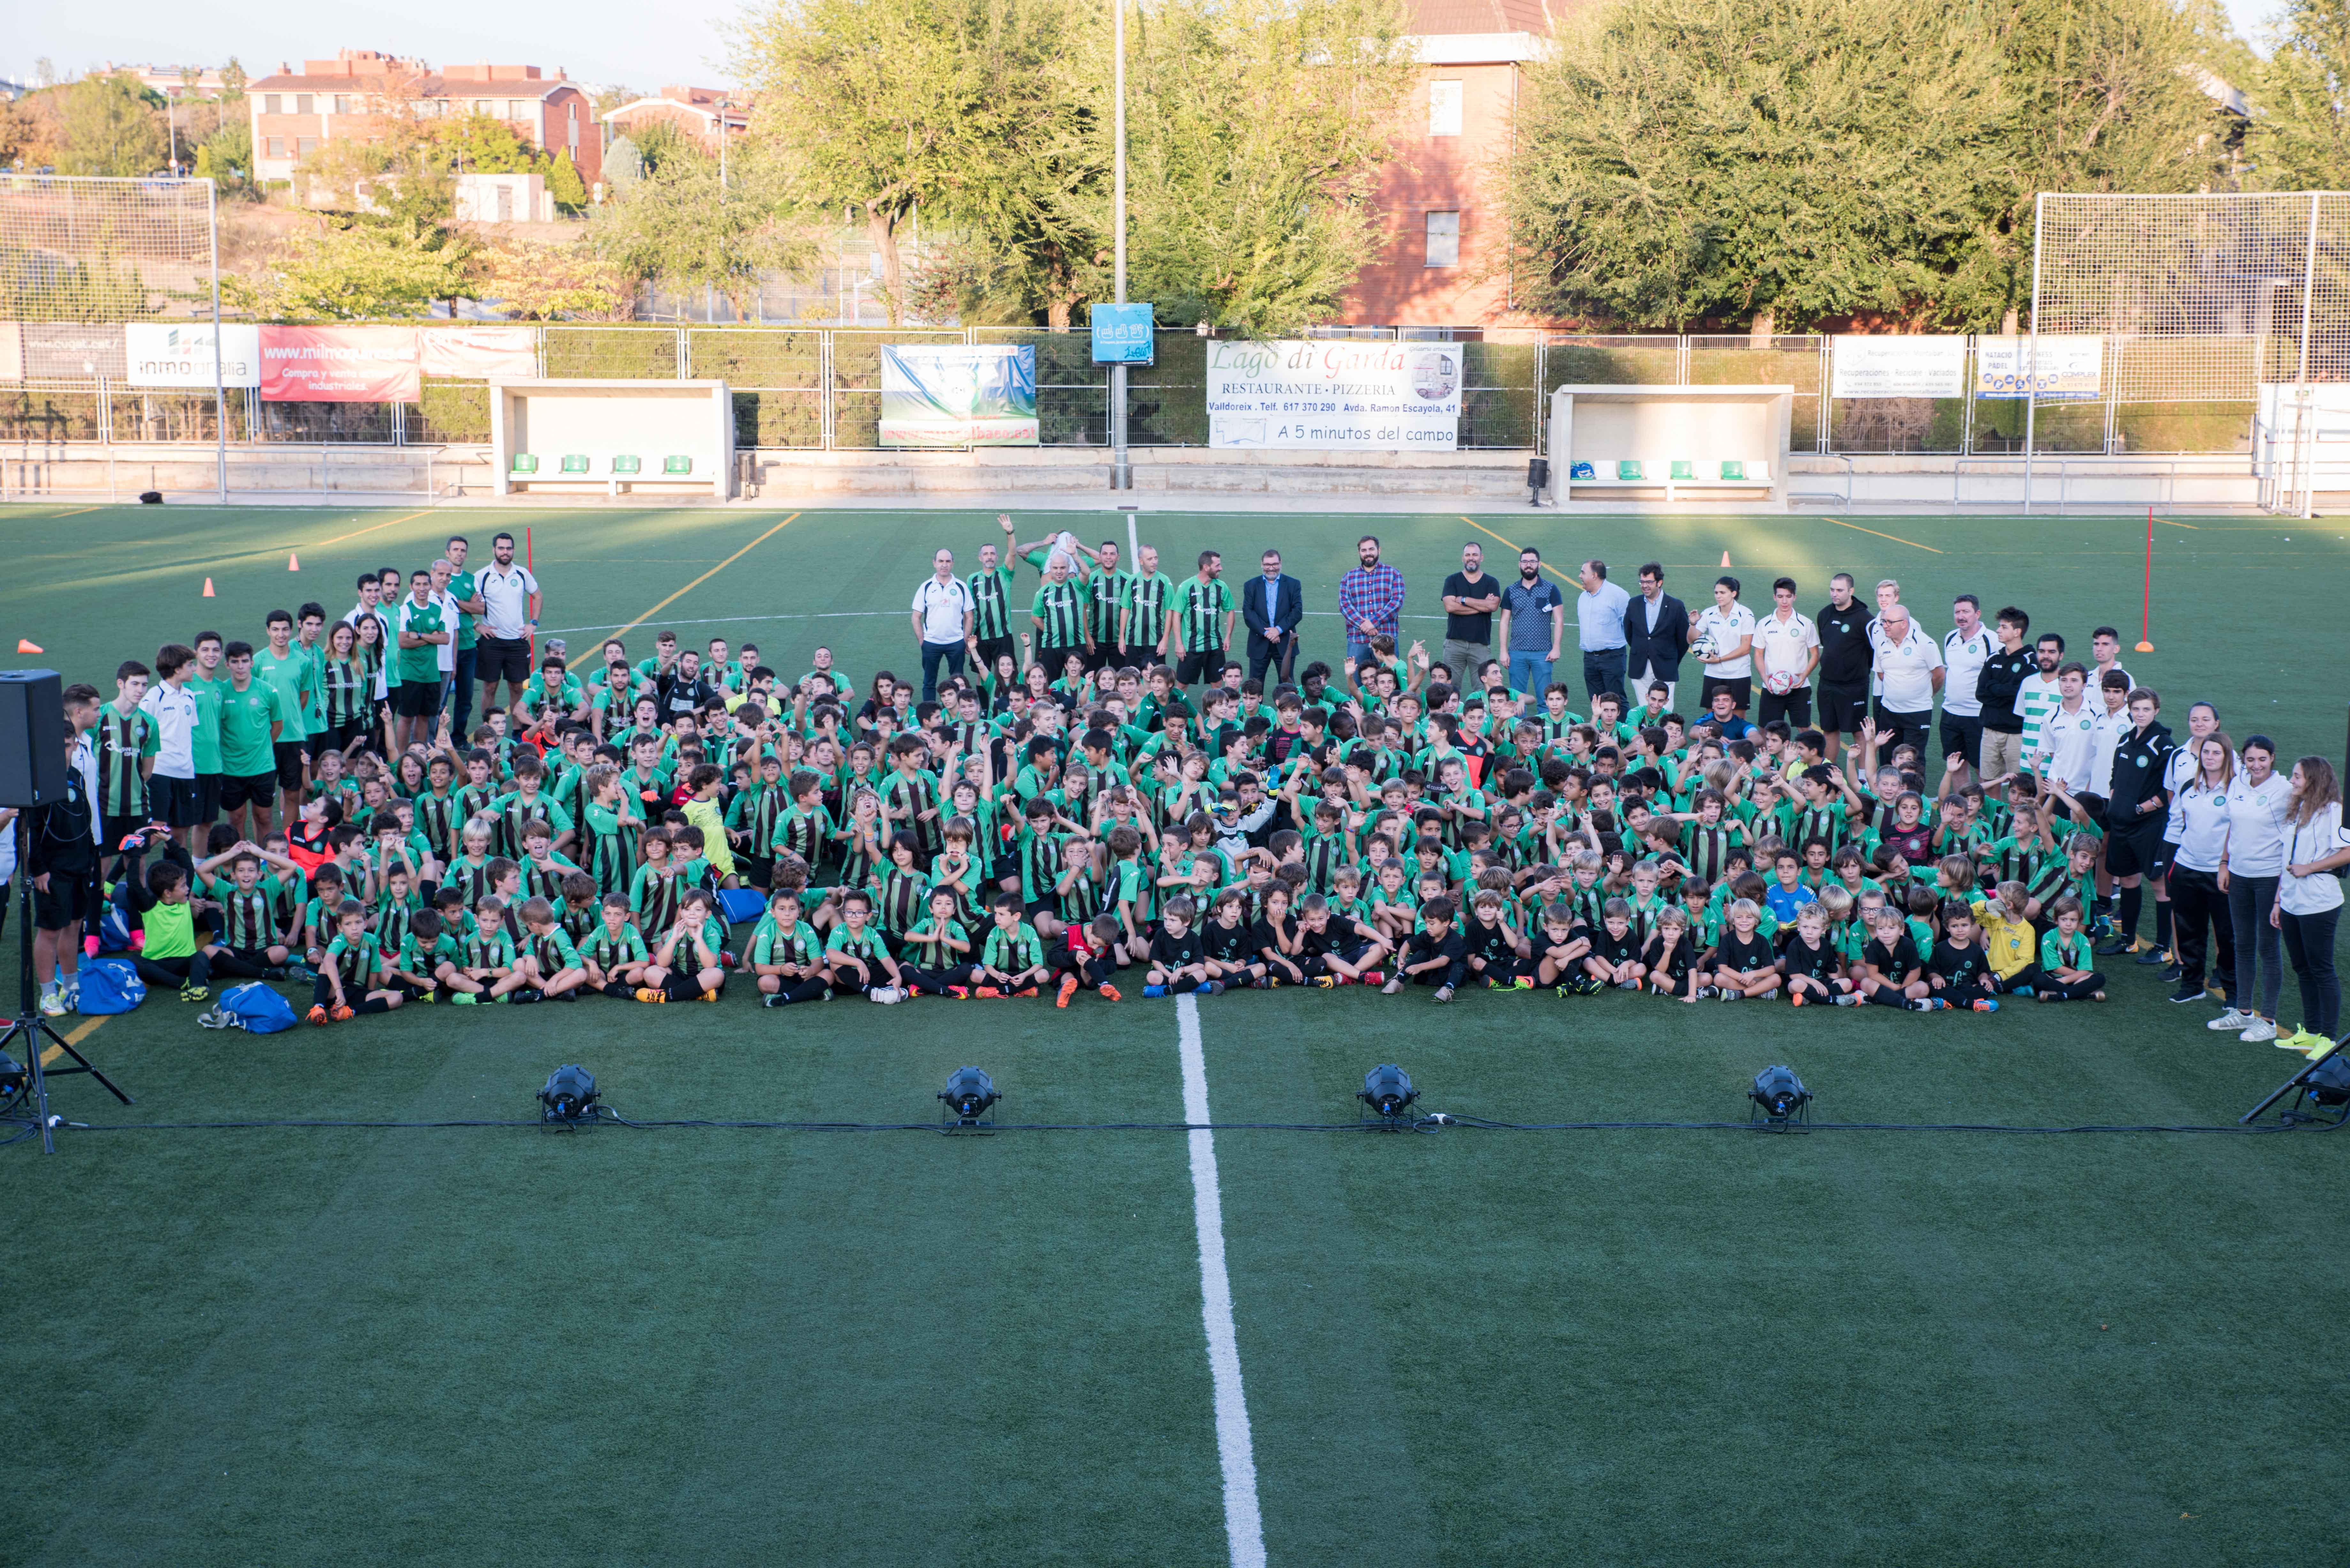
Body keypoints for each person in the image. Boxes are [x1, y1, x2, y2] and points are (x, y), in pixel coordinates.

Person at [24, 685, 101, 1016]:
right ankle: (47, 993)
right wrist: (39, 869)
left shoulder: (75, 777)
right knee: (51, 929)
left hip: (80, 864)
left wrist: (92, 861)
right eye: (59, 747)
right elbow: (32, 832)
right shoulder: (38, 783)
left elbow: (83, 821)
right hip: (52, 870)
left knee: (74, 927)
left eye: (69, 746)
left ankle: (71, 985)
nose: (65, 753)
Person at [2211, 737, 2291, 1042]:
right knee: (2242, 943)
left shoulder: (2284, 791)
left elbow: (2291, 841)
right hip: (2239, 876)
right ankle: (2243, 1012)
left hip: (2269, 877)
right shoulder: (2239, 783)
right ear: (2243, 760)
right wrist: (2224, 862)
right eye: (2251, 760)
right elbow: (2233, 824)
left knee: (2268, 948)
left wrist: (2281, 894)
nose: (2256, 765)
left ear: (2273, 758)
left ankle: (2268, 1021)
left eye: (2262, 759)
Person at [2274, 757, 2350, 1056]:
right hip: (2292, 900)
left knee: (2321, 968)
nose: (2292, 781)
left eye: (2297, 777)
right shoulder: (2298, 809)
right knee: (2302, 967)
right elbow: (2286, 860)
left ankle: (2328, 1038)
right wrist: (2279, 899)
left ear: (2314, 780)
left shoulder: (2335, 812)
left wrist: (2311, 868)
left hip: (2320, 901)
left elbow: (2348, 852)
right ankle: (2311, 1031)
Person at [2164, 731, 2236, 1007]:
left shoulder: (2237, 790)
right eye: (2206, 752)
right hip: (2186, 868)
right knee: (2188, 932)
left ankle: (2233, 994)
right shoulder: (2187, 788)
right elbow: (2179, 825)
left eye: (2217, 752)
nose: (2210, 757)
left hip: (2221, 874)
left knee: (2227, 936)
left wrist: (2225, 864)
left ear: (2227, 756)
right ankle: (2192, 985)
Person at [474, 531, 542, 716]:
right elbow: (464, 604)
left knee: (517, 688)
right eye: (501, 548)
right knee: (490, 687)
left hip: (517, 640)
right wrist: (477, 626)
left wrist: (533, 623)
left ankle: (518, 732)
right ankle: (487, 730)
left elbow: (537, 596)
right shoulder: (482, 576)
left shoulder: (522, 573)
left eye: (509, 549)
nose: (505, 552)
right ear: (494, 550)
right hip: (492, 640)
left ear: (513, 551)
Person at [1867, 604, 1942, 759]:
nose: (1885, 626)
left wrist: (1927, 694)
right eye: (1884, 622)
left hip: (1917, 713)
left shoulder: (1925, 644)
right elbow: (1881, 673)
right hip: (1889, 712)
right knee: (1889, 759)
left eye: (1890, 622)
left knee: (1912, 762)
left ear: (1904, 624)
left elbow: (1939, 675)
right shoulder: (1882, 644)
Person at [1813, 574, 1872, 764]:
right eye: (1832, 590)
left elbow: (1873, 651)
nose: (1835, 594)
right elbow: (1827, 644)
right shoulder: (1824, 614)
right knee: (1829, 730)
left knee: (1859, 732)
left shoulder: (1865, 619)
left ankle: (1864, 778)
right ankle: (1828, 772)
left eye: (1840, 590)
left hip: (1854, 687)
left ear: (1851, 591)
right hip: (1828, 685)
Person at [1974, 606, 2034, 784]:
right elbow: (1981, 693)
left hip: (2016, 735)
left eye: (2004, 627)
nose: (1998, 630)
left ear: (2017, 632)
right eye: (1999, 626)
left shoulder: (2030, 662)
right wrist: (2005, 691)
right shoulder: (1993, 659)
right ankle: (1995, 814)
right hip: (1990, 732)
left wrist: (1995, 687)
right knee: (1989, 781)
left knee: (2020, 785)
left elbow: (2020, 695)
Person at [1751, 577, 1819, 729]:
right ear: (1775, 597)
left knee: (1804, 732)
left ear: (1794, 597)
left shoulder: (1806, 624)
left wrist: (1805, 675)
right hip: (1772, 687)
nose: (1784, 602)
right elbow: (1758, 655)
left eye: (1789, 597)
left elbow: (1815, 654)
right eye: (1781, 597)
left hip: (1799, 688)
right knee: (1767, 731)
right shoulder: (1764, 624)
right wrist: (1765, 679)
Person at [1496, 548, 1564, 697]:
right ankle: (1519, 723)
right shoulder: (1511, 590)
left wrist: (1556, 648)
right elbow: (1504, 622)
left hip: (1543, 653)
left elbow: (1559, 620)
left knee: (1546, 698)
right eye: (1525, 562)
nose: (1529, 565)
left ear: (1539, 564)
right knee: (1517, 699)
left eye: (1532, 562)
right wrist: (1503, 651)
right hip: (1517, 652)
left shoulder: (1551, 589)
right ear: (1520, 565)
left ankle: (1545, 722)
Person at [1940, 594, 1994, 776]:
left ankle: (1984, 805)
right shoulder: (1950, 638)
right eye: (1957, 612)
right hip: (1951, 714)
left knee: (1982, 769)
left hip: (1977, 715)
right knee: (1956, 767)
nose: (1961, 616)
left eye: (1966, 612)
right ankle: (1961, 805)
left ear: (1977, 614)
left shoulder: (1992, 640)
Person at [1624, 562, 1688, 713]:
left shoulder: (1676, 605)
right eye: (1642, 582)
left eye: (1649, 582)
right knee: (1644, 710)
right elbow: (1629, 633)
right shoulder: (1634, 604)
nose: (1645, 586)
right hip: (1640, 665)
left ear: (1660, 583)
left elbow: (1683, 640)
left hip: (1666, 666)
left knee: (1666, 711)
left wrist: (1672, 660)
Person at [1690, 575, 1757, 715]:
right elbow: (1692, 639)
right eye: (1716, 593)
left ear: (1734, 594)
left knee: (1738, 719)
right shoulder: (1709, 613)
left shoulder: (1745, 615)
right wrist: (1693, 624)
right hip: (1713, 674)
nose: (1718, 596)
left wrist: (1719, 660)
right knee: (1712, 718)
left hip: (1738, 674)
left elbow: (1745, 649)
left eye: (1723, 593)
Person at [1439, 542, 1502, 683]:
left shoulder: (1491, 582)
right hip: (1455, 644)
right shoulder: (1452, 580)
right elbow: (1450, 607)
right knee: (1450, 689)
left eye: (1475, 555)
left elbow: (1493, 606)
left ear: (1482, 558)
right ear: (1463, 558)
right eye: (1468, 555)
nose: (1471, 558)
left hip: (1480, 645)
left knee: (1482, 689)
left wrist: (1464, 600)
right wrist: (1481, 606)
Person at [1338, 535, 1406, 663]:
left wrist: (1374, 622)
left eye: (1371, 549)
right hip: (1357, 640)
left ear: (1379, 551)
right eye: (1364, 551)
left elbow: (1397, 602)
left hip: (1386, 640)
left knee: (1388, 682)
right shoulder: (1348, 578)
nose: (1368, 554)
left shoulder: (1393, 574)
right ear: (1359, 553)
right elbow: (1345, 606)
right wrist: (1364, 625)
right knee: (1358, 682)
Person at [1242, 548, 1304, 686]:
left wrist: (1278, 630)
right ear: (1262, 565)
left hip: (1285, 643)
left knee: (1287, 685)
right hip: (1258, 643)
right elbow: (1248, 614)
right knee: (1254, 686)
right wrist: (1268, 632)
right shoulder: (1250, 585)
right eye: (1267, 565)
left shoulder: (1293, 584)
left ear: (1280, 563)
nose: (1271, 569)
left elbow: (1297, 612)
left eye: (1274, 564)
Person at [1173, 550, 1235, 686]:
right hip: (1191, 646)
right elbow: (1176, 615)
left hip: (1215, 646)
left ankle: (1215, 709)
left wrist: (1228, 637)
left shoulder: (1221, 587)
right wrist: (1179, 643)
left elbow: (1230, 610)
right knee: (1182, 685)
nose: (1221, 568)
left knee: (1218, 684)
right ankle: (1179, 709)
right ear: (1206, 568)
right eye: (1218, 566)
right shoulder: (1186, 587)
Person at [1574, 558, 1630, 703]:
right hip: (1590, 659)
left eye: (1583, 573)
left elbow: (1630, 626)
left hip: (1612, 657)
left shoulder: (1618, 595)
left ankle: (1622, 726)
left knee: (1616, 700)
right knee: (1596, 701)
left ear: (1594, 575)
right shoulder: (1583, 598)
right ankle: (1599, 727)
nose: (1580, 576)